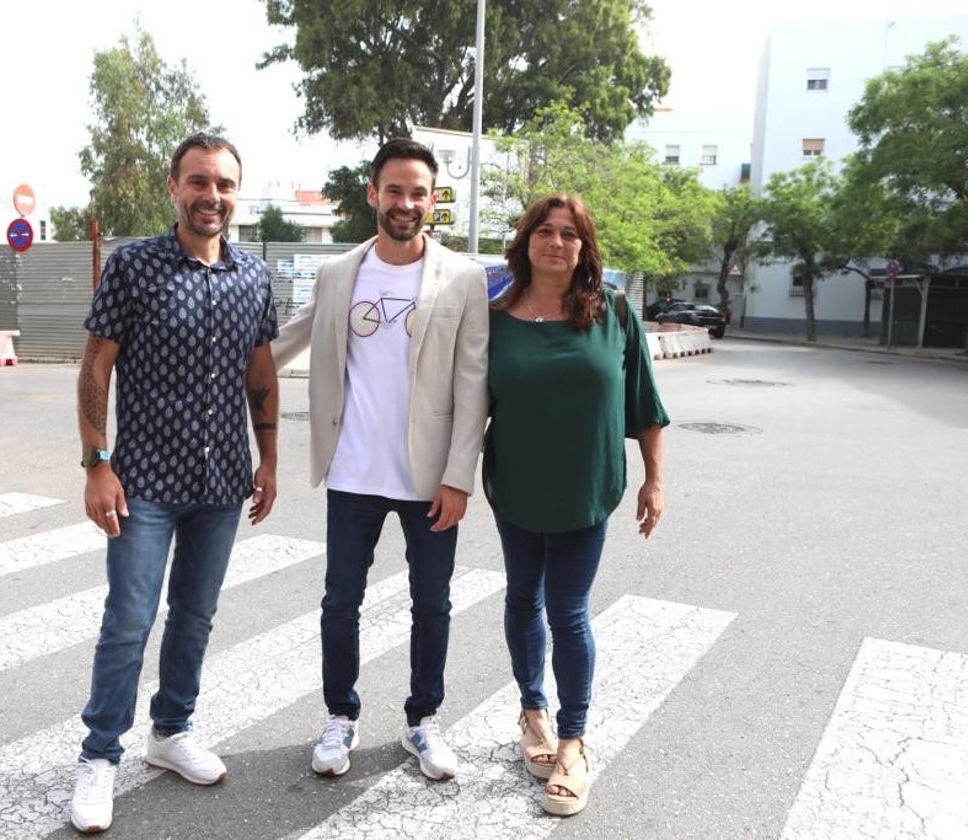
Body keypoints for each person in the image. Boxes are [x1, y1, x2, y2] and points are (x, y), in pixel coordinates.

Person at [69, 133, 279, 834]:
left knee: (196, 615)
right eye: (198, 182)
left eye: (223, 184)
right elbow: (96, 366)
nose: (211, 196)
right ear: (174, 188)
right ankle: (100, 755)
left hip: (221, 484)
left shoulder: (253, 276)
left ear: (235, 194)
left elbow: (261, 374)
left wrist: (268, 458)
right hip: (143, 484)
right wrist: (95, 462)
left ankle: (172, 731)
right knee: (129, 620)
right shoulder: (134, 267)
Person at [271, 138, 489, 782]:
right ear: (373, 194)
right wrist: (225, 370)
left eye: (418, 192)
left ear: (432, 200)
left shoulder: (465, 277)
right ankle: (340, 715)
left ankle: (423, 722)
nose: (406, 203)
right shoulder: (339, 273)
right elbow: (291, 337)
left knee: (433, 604)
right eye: (394, 190)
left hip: (428, 478)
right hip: (353, 472)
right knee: (341, 601)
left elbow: (473, 382)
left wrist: (458, 476)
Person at [483, 193, 668, 817]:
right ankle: (531, 712)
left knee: (569, 611)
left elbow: (643, 403)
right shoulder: (495, 317)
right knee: (520, 599)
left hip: (587, 492)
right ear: (526, 240)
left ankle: (572, 741)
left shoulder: (614, 311)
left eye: (570, 234)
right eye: (545, 231)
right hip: (515, 487)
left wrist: (654, 480)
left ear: (584, 247)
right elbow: (463, 406)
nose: (556, 243)